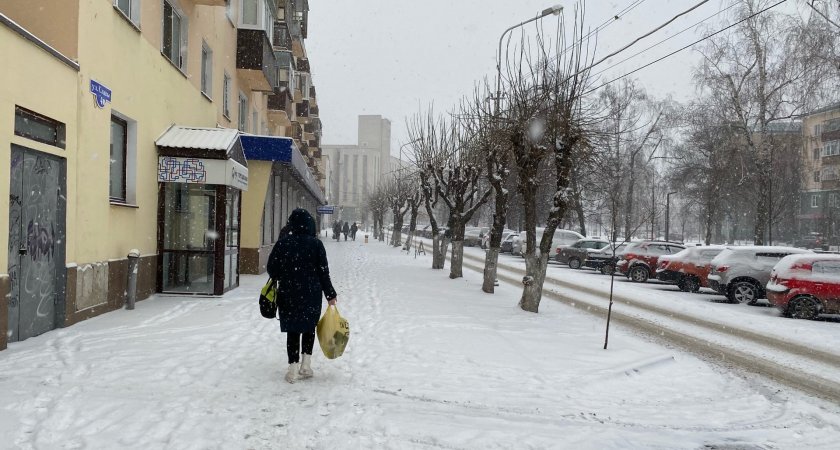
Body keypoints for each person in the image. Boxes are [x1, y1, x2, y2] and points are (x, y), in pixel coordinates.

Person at [267, 208, 338, 384]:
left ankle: (292, 369)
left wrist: (286, 273)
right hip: (311, 294)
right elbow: (324, 272)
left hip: (288, 293)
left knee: (292, 330)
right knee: (308, 328)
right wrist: (330, 294)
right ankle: (306, 365)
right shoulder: (316, 244)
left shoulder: (283, 243)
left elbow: (272, 269)